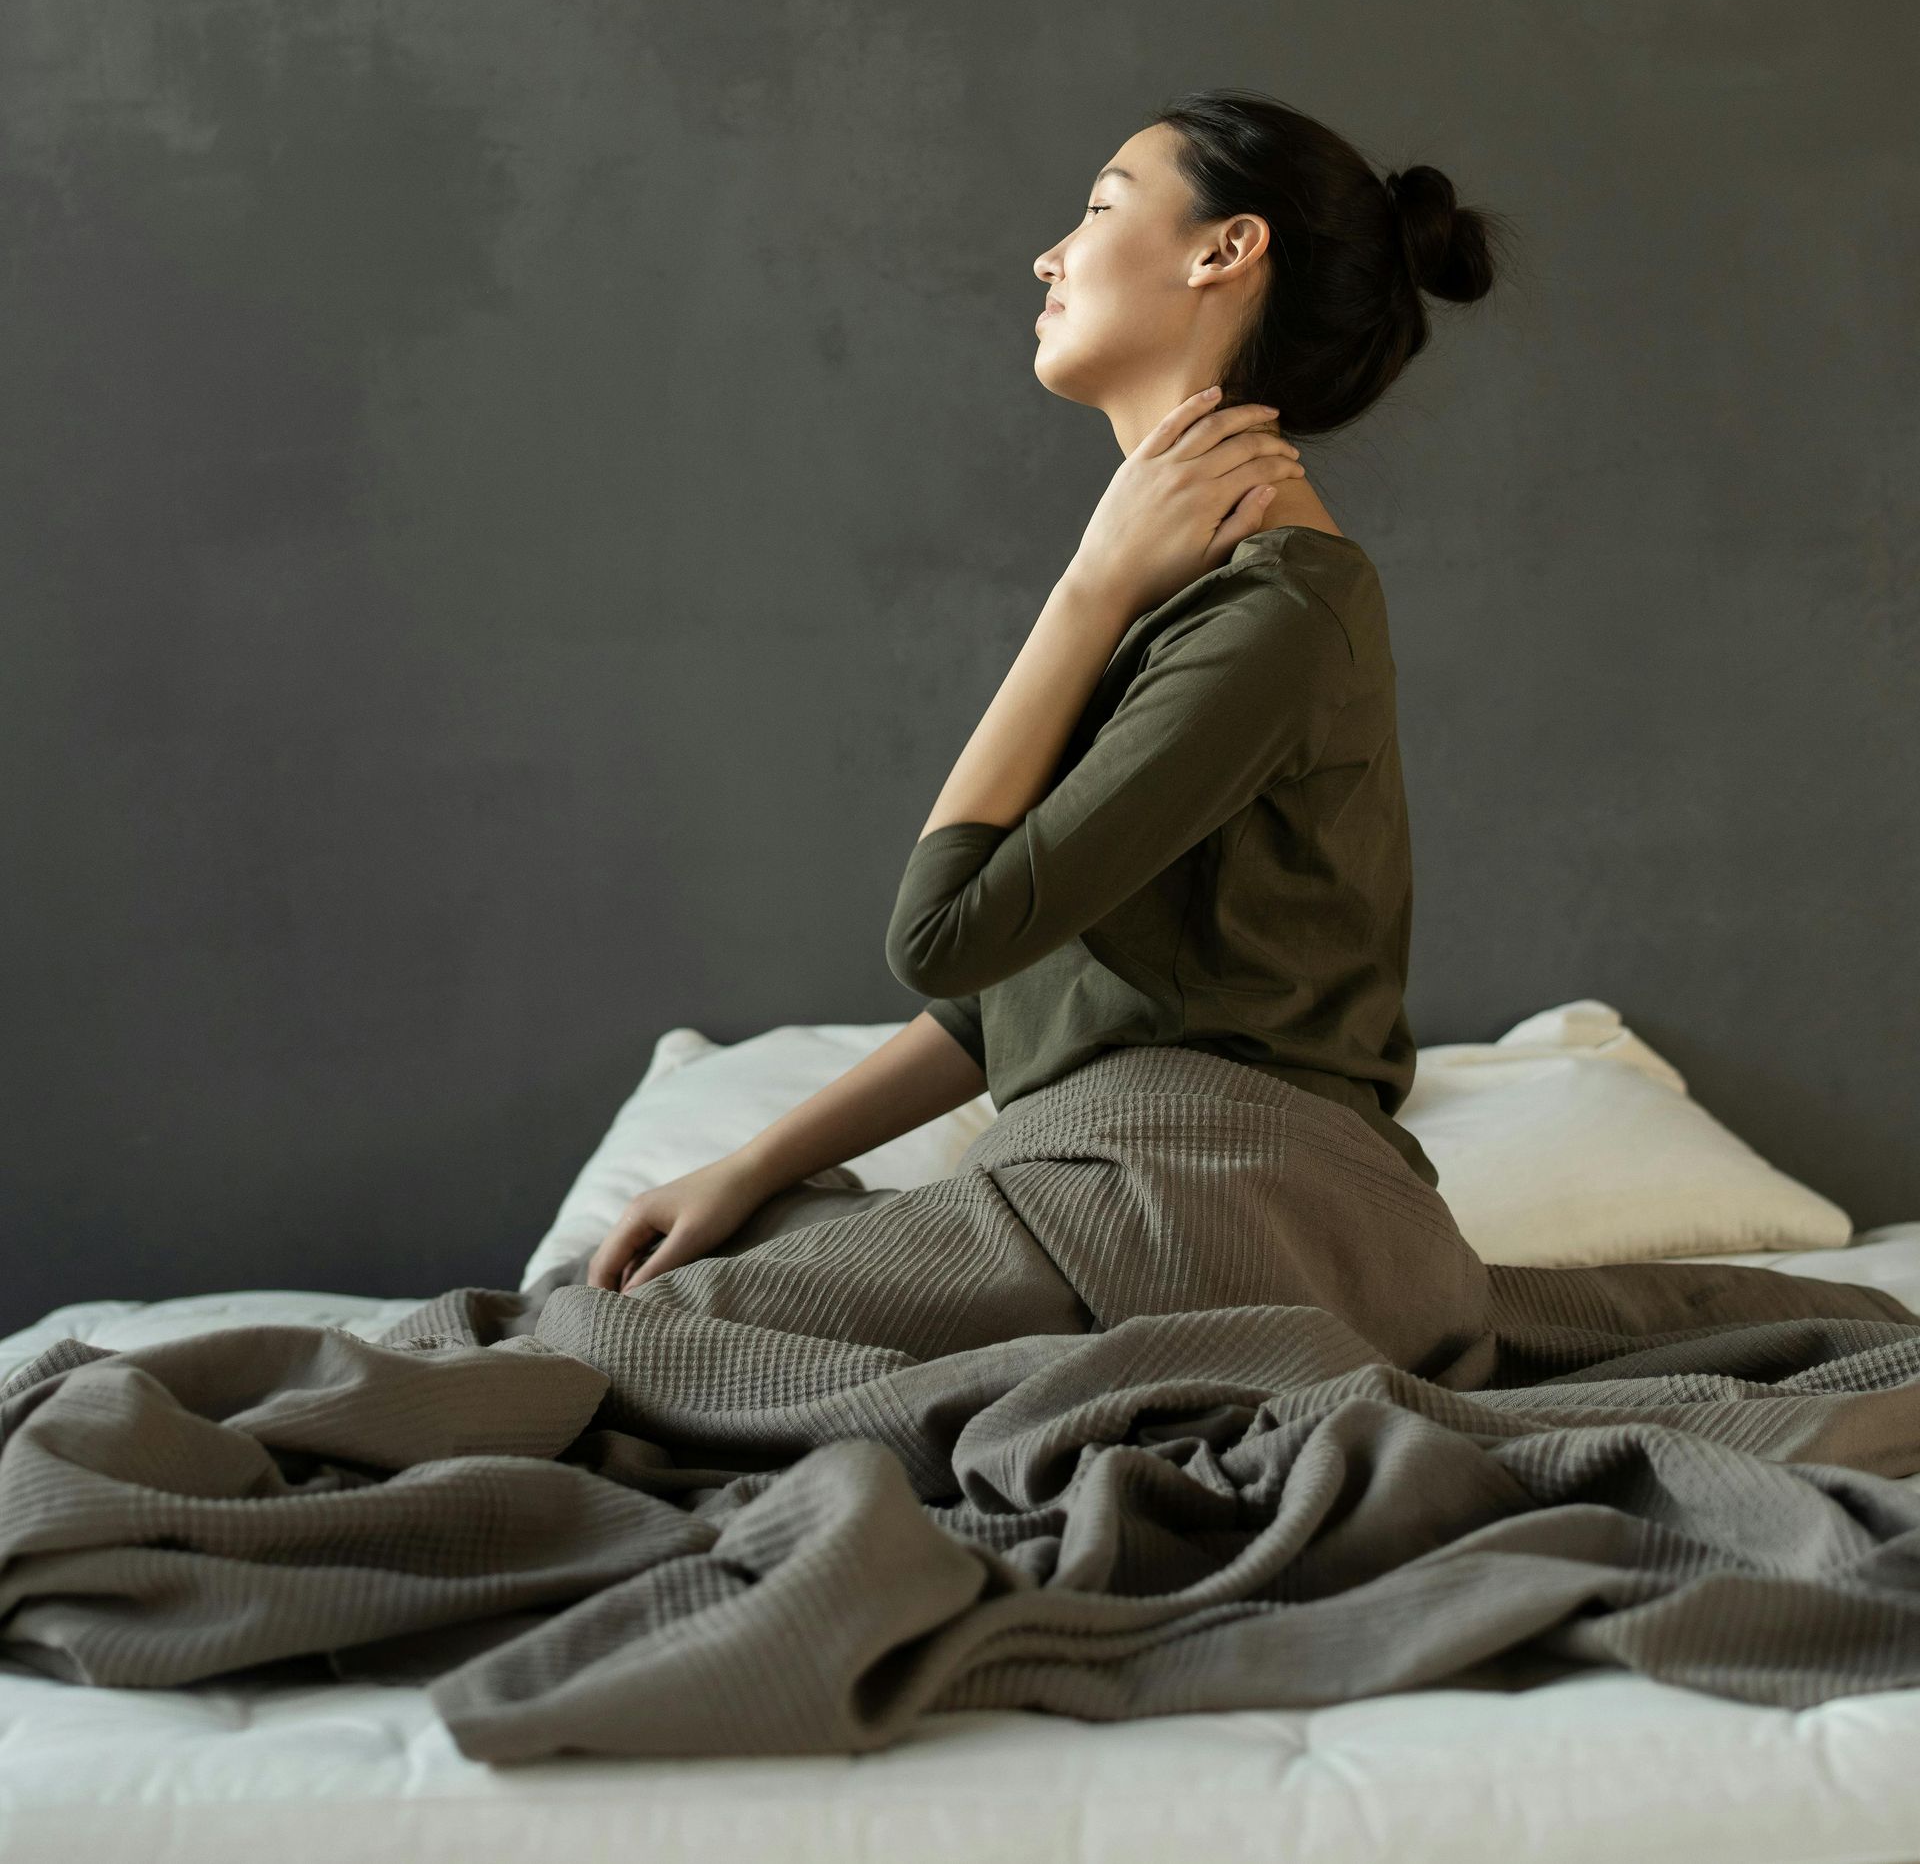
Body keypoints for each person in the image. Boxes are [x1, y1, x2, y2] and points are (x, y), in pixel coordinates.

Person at [583, 87, 1524, 1382]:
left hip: (1219, 1197)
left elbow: (939, 934)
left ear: (1224, 250)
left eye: (1097, 207)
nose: (1050, 253)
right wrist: (747, 1164)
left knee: (596, 1350)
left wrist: (1086, 587)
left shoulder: (1281, 607)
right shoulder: (1209, 593)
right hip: (1151, 1187)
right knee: (702, 1260)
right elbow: (1008, 992)